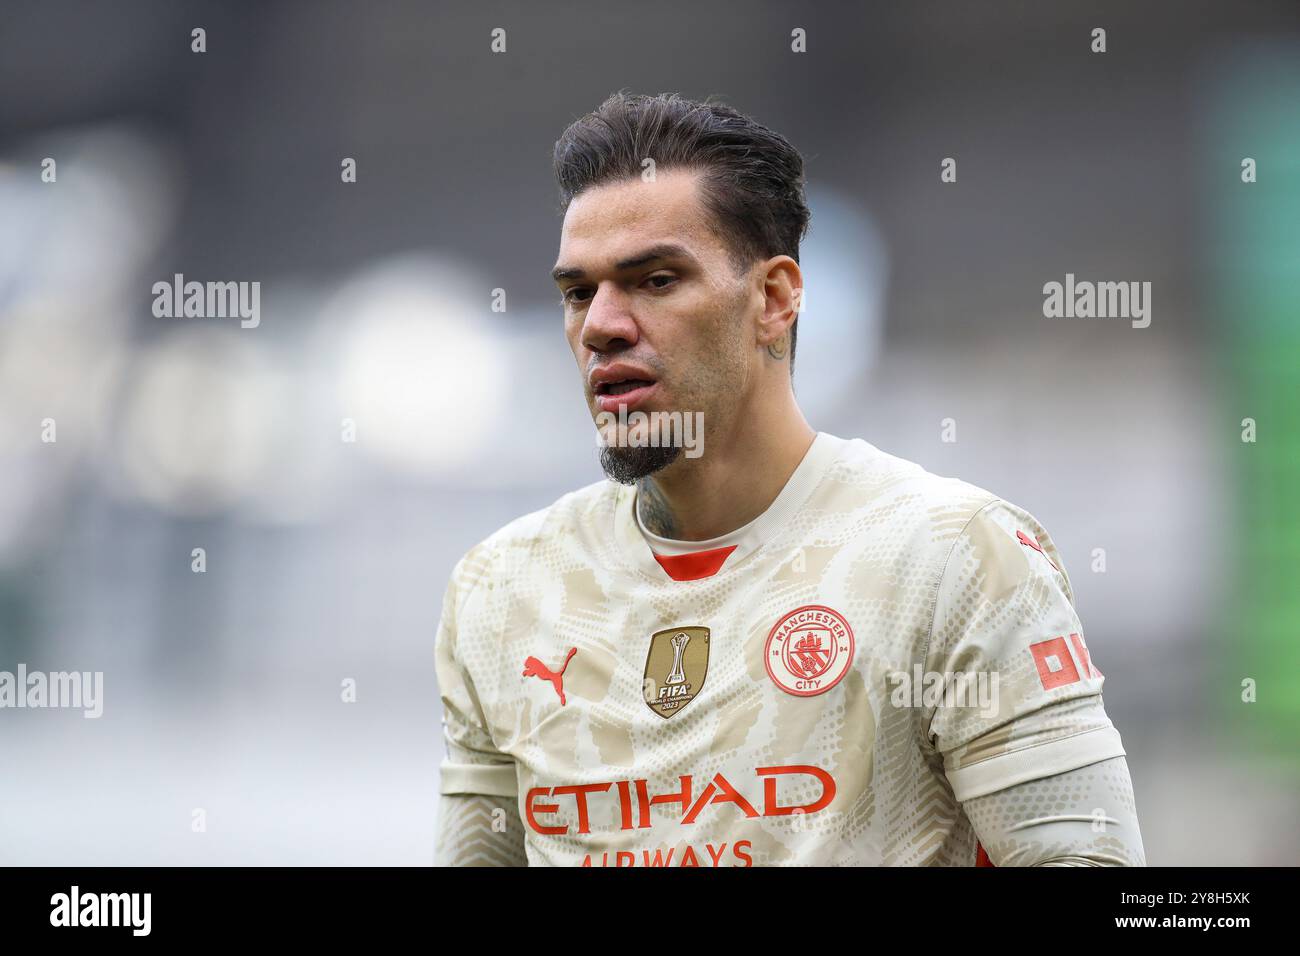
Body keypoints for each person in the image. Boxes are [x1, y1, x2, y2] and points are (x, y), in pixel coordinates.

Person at [433, 91, 1145, 867]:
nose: (601, 324)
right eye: (579, 292)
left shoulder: (956, 557)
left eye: (656, 279)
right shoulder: (502, 590)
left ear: (774, 299)